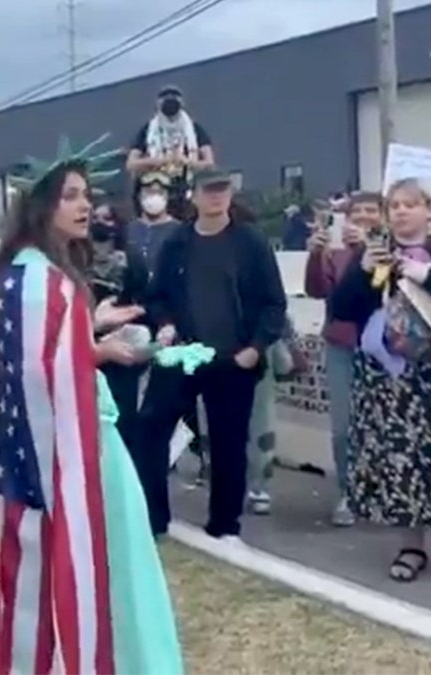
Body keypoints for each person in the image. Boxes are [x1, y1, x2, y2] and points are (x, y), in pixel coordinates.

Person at [0, 141, 182, 674]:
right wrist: (94, 348)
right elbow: (39, 381)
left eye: (86, 194)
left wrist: (95, 340)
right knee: (104, 561)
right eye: (70, 195)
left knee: (114, 560)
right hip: (72, 449)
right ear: (41, 205)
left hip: (81, 439)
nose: (84, 204)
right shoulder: (38, 280)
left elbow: (52, 360)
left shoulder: (39, 273)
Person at [330, 178, 431, 601]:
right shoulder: (376, 253)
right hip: (390, 378)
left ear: (429, 211)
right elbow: (341, 310)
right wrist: (363, 272)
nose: (400, 212)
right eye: (394, 206)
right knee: (401, 461)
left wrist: (428, 275)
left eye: (409, 204)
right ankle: (412, 547)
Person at [135, 167, 287, 540]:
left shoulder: (251, 243)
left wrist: (255, 348)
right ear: (194, 196)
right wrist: (165, 323)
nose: (216, 197)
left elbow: (273, 303)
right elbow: (156, 297)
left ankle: (224, 525)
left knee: (228, 443)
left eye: (222, 190)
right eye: (209, 190)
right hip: (184, 354)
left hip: (234, 357)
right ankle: (152, 519)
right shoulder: (177, 242)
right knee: (151, 428)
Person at [303, 191, 383, 527]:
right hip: (341, 344)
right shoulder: (335, 251)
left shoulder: (388, 248)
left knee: (383, 423)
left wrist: (366, 249)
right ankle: (347, 493)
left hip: (386, 348)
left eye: (371, 210)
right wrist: (315, 255)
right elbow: (317, 290)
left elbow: (383, 287)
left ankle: (383, 492)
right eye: (356, 211)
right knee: (344, 425)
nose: (363, 216)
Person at [74, 202, 150, 453]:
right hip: (85, 345)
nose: (100, 224)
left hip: (121, 349)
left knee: (121, 418)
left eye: (107, 219)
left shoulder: (132, 259)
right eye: (95, 218)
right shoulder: (76, 257)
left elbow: (144, 302)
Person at [126, 85, 214, 218]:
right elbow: (131, 164)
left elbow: (209, 163)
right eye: (165, 97)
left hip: (187, 190)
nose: (170, 99)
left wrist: (186, 161)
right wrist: (158, 161)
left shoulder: (194, 129)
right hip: (157, 190)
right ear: (157, 103)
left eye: (174, 96)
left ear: (182, 102)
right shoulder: (148, 130)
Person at [126, 171, 183, 271]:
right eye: (149, 192)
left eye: (160, 192)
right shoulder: (129, 229)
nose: (154, 197)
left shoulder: (180, 231)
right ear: (139, 195)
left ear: (168, 196)